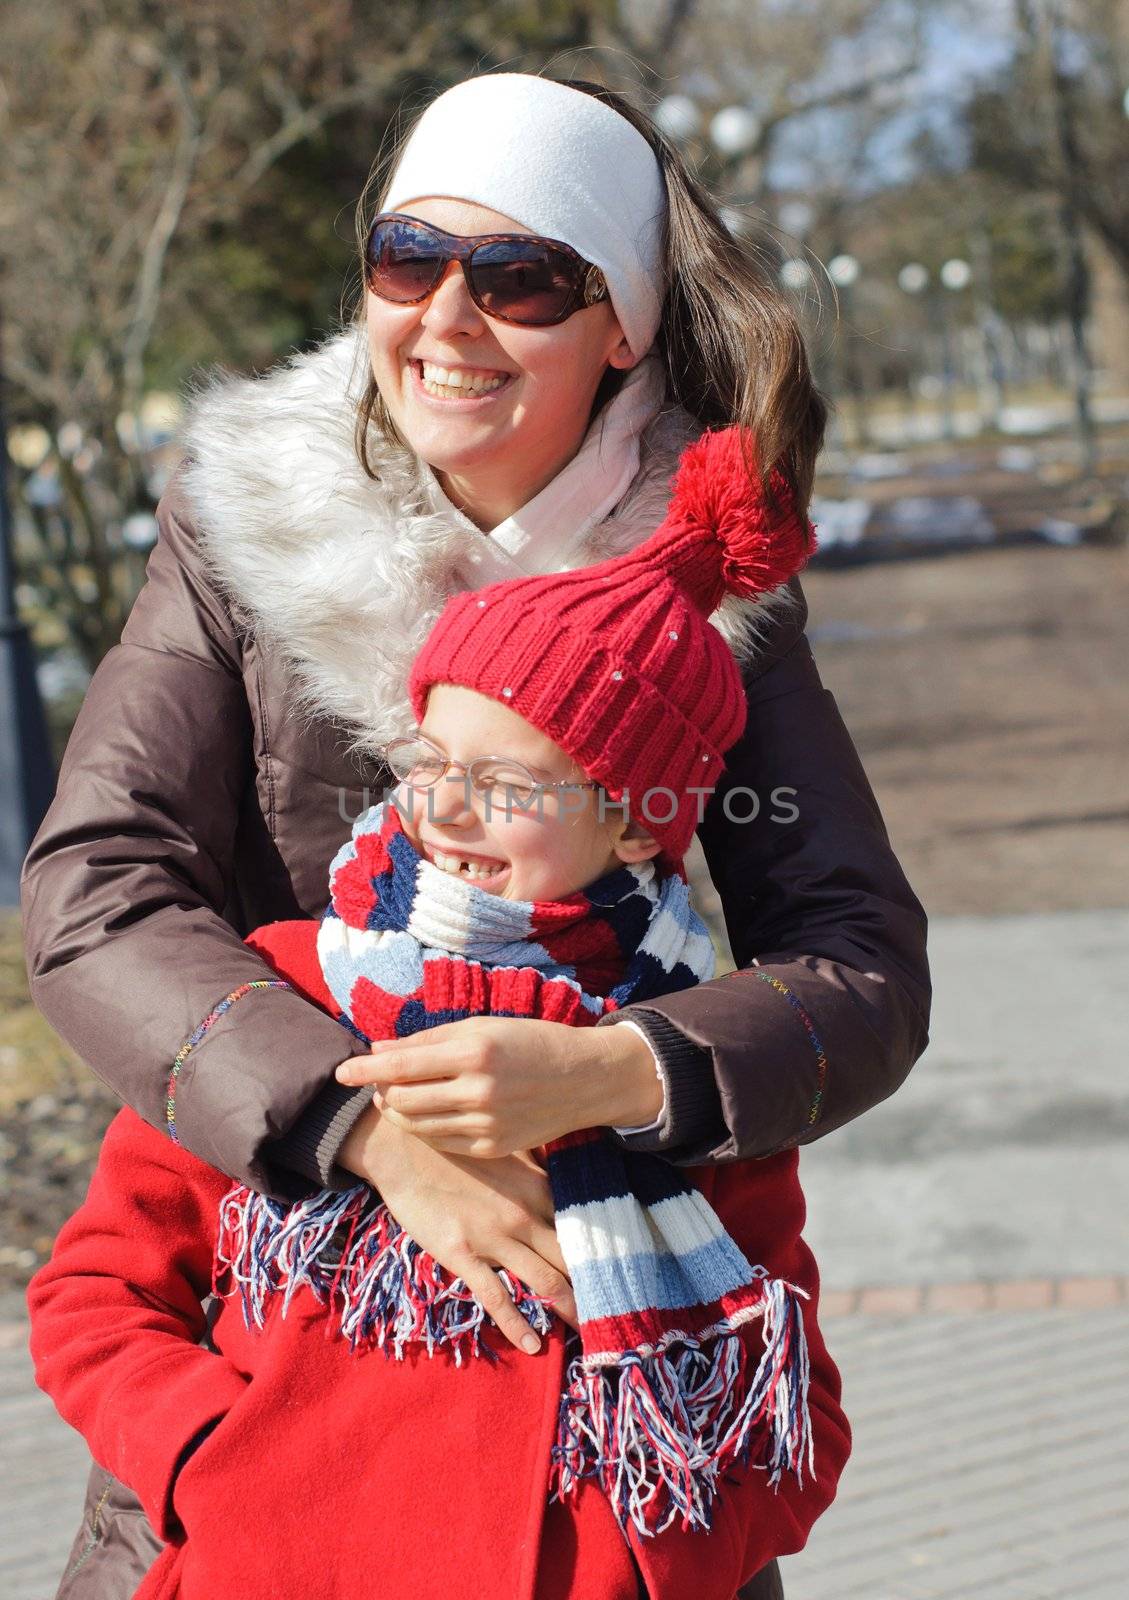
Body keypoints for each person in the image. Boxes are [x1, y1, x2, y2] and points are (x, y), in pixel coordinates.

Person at [19, 70, 930, 1600]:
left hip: (586, 1475)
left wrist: (620, 1070)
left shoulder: (699, 591)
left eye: (519, 278)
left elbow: (859, 963)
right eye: (407, 256)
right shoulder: (249, 525)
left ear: (619, 326)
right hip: (280, 1413)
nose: (447, 316)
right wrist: (358, 1132)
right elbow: (97, 889)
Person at [28, 425, 852, 1600]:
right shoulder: (291, 991)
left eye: (509, 784)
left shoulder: (669, 1056)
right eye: (432, 757)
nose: (446, 811)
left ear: (632, 823)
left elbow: (792, 1410)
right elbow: (95, 1295)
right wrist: (222, 1461)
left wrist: (627, 1557)